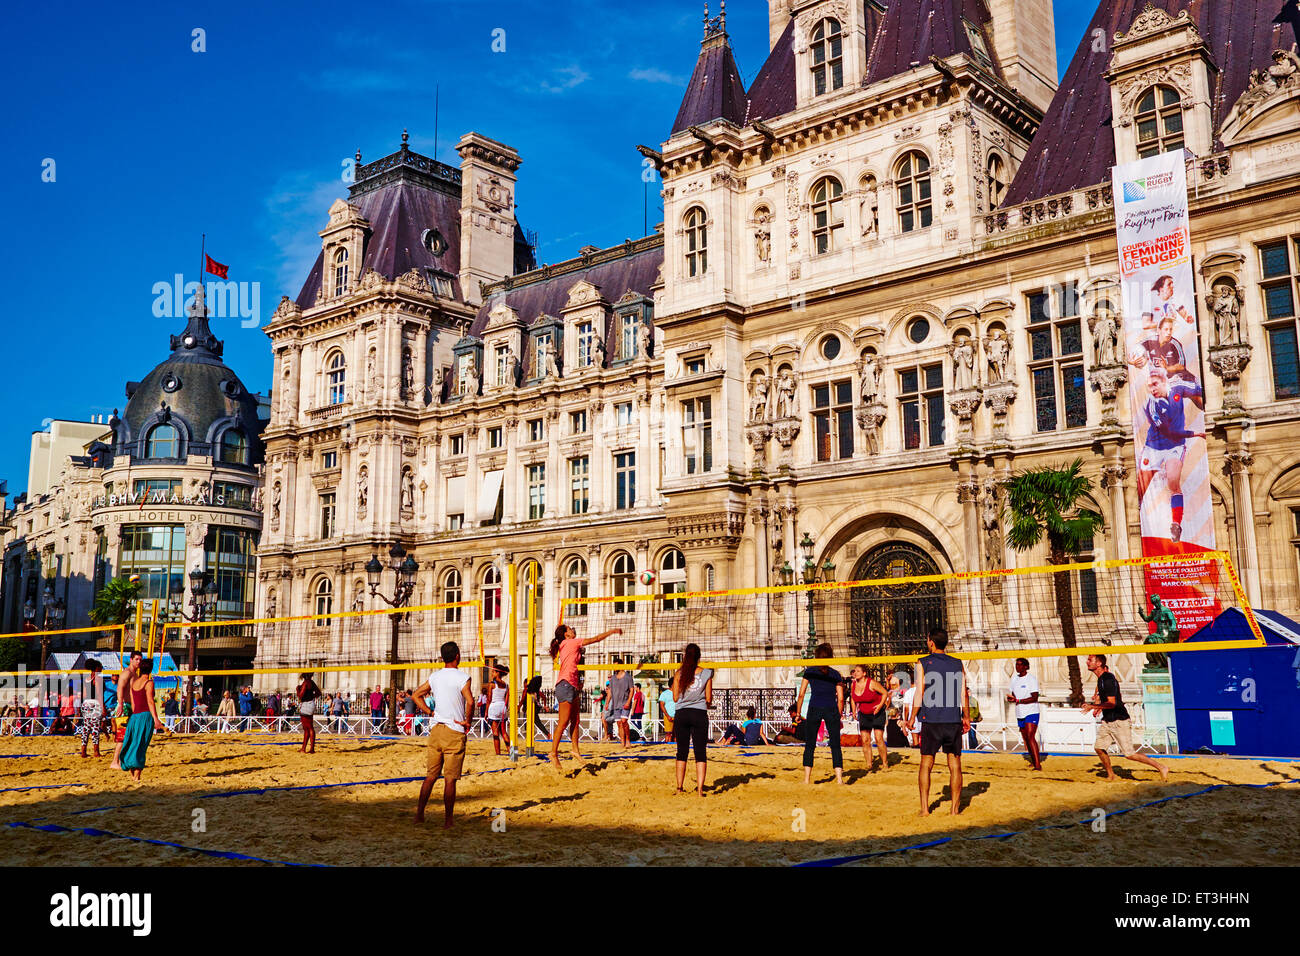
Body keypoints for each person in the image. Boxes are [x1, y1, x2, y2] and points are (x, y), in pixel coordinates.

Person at [1136, 367, 1205, 544]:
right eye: (1149, 386)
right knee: (1141, 488)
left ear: (1164, 381)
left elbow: (1200, 392)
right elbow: (1171, 432)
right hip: (1154, 447)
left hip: (1175, 447)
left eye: (1155, 384)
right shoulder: (1150, 405)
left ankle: (1176, 524)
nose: (1152, 389)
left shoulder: (1178, 387)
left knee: (1173, 481)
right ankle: (1140, 522)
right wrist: (1195, 434)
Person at [412, 642, 475, 829]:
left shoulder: (435, 676)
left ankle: (419, 815)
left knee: (430, 776)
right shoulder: (462, 677)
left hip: (436, 729)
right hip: (454, 730)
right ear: (457, 656)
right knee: (450, 779)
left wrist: (430, 713)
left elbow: (416, 695)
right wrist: (468, 721)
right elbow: (470, 701)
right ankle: (448, 821)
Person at [910, 628, 970, 817]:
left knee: (926, 763)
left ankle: (925, 809)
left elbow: (919, 693)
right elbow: (963, 693)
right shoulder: (957, 663)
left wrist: (912, 717)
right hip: (952, 719)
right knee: (955, 764)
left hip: (932, 720)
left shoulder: (923, 662)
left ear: (931, 642)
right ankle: (954, 810)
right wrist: (966, 716)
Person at [1084, 654, 1169, 782]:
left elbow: (1112, 703)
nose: (1087, 662)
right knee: (1099, 748)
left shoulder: (1107, 679)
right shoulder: (1101, 678)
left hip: (1119, 720)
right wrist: (1097, 701)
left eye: (1090, 660)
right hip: (1108, 721)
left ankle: (1161, 767)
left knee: (1129, 754)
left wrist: (1093, 706)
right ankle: (1111, 775)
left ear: (1099, 664)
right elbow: (1103, 693)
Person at [548, 623, 621, 771]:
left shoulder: (567, 644)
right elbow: (596, 639)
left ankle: (575, 750)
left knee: (576, 721)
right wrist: (612, 631)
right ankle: (553, 753)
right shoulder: (571, 642)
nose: (573, 629)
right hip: (565, 684)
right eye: (569, 629)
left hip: (572, 685)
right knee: (563, 722)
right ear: (566, 635)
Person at [795, 643, 845, 784]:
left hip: (815, 707)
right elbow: (840, 698)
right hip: (831, 709)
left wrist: (798, 713)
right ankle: (839, 779)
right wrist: (838, 715)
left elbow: (801, 694)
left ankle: (806, 779)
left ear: (817, 657)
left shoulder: (810, 671)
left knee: (810, 744)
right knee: (835, 745)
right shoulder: (835, 674)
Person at [671, 643, 713, 796]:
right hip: (699, 713)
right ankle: (700, 790)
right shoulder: (707, 673)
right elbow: (708, 698)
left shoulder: (678, 674)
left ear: (685, 656)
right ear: (699, 657)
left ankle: (679, 788)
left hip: (682, 714)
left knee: (681, 752)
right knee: (700, 752)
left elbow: (675, 698)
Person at [118, 659, 165, 780]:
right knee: (141, 745)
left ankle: (134, 775)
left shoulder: (134, 683)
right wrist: (156, 719)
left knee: (133, 744)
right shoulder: (149, 683)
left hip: (135, 717)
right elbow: (150, 701)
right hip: (145, 716)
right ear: (150, 669)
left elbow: (133, 705)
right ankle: (137, 777)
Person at [849, 665, 889, 770]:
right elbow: (853, 698)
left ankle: (885, 763)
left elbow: (885, 693)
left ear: (864, 673)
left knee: (878, 738)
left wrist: (880, 706)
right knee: (865, 739)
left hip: (877, 712)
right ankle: (869, 764)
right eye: (854, 671)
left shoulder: (871, 683)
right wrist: (853, 711)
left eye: (858, 671)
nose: (855, 673)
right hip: (863, 713)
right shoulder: (854, 684)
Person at [1006, 658, 1043, 771]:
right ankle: (1033, 761)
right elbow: (1013, 695)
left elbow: (1035, 697)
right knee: (1026, 739)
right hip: (1020, 712)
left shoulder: (1031, 679)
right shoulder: (1014, 679)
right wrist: (1011, 699)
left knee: (1031, 736)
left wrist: (1019, 701)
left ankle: (1038, 765)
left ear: (1026, 667)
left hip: (1031, 711)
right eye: (1016, 664)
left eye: (1020, 665)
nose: (1018, 667)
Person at [108, 651, 142, 770]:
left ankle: (123, 760)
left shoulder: (135, 674)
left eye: (140, 660)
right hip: (124, 707)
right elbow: (120, 688)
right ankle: (114, 761)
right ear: (131, 659)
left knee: (131, 735)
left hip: (130, 707)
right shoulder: (126, 673)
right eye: (136, 659)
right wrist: (121, 704)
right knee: (123, 736)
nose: (138, 662)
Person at [607, 667, 636, 751]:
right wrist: (607, 703)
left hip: (625, 703)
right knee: (619, 723)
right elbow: (610, 691)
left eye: (616, 665)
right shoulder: (613, 678)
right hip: (616, 704)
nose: (614, 667)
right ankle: (622, 741)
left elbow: (632, 690)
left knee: (624, 721)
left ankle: (628, 740)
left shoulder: (628, 677)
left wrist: (629, 701)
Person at [485, 663, 510, 756]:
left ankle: (498, 754)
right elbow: (507, 700)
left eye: (493, 672)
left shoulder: (492, 684)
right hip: (502, 707)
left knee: (495, 734)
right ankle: (512, 753)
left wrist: (486, 712)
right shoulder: (506, 685)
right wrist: (505, 709)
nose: (492, 673)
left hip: (494, 706)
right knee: (504, 732)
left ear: (497, 673)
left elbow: (489, 699)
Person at [297, 672, 321, 753]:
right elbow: (319, 693)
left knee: (308, 728)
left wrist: (297, 689)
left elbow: (300, 695)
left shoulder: (305, 683)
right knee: (308, 727)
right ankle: (307, 748)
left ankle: (309, 749)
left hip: (306, 704)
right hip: (311, 703)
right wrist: (311, 696)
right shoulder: (312, 683)